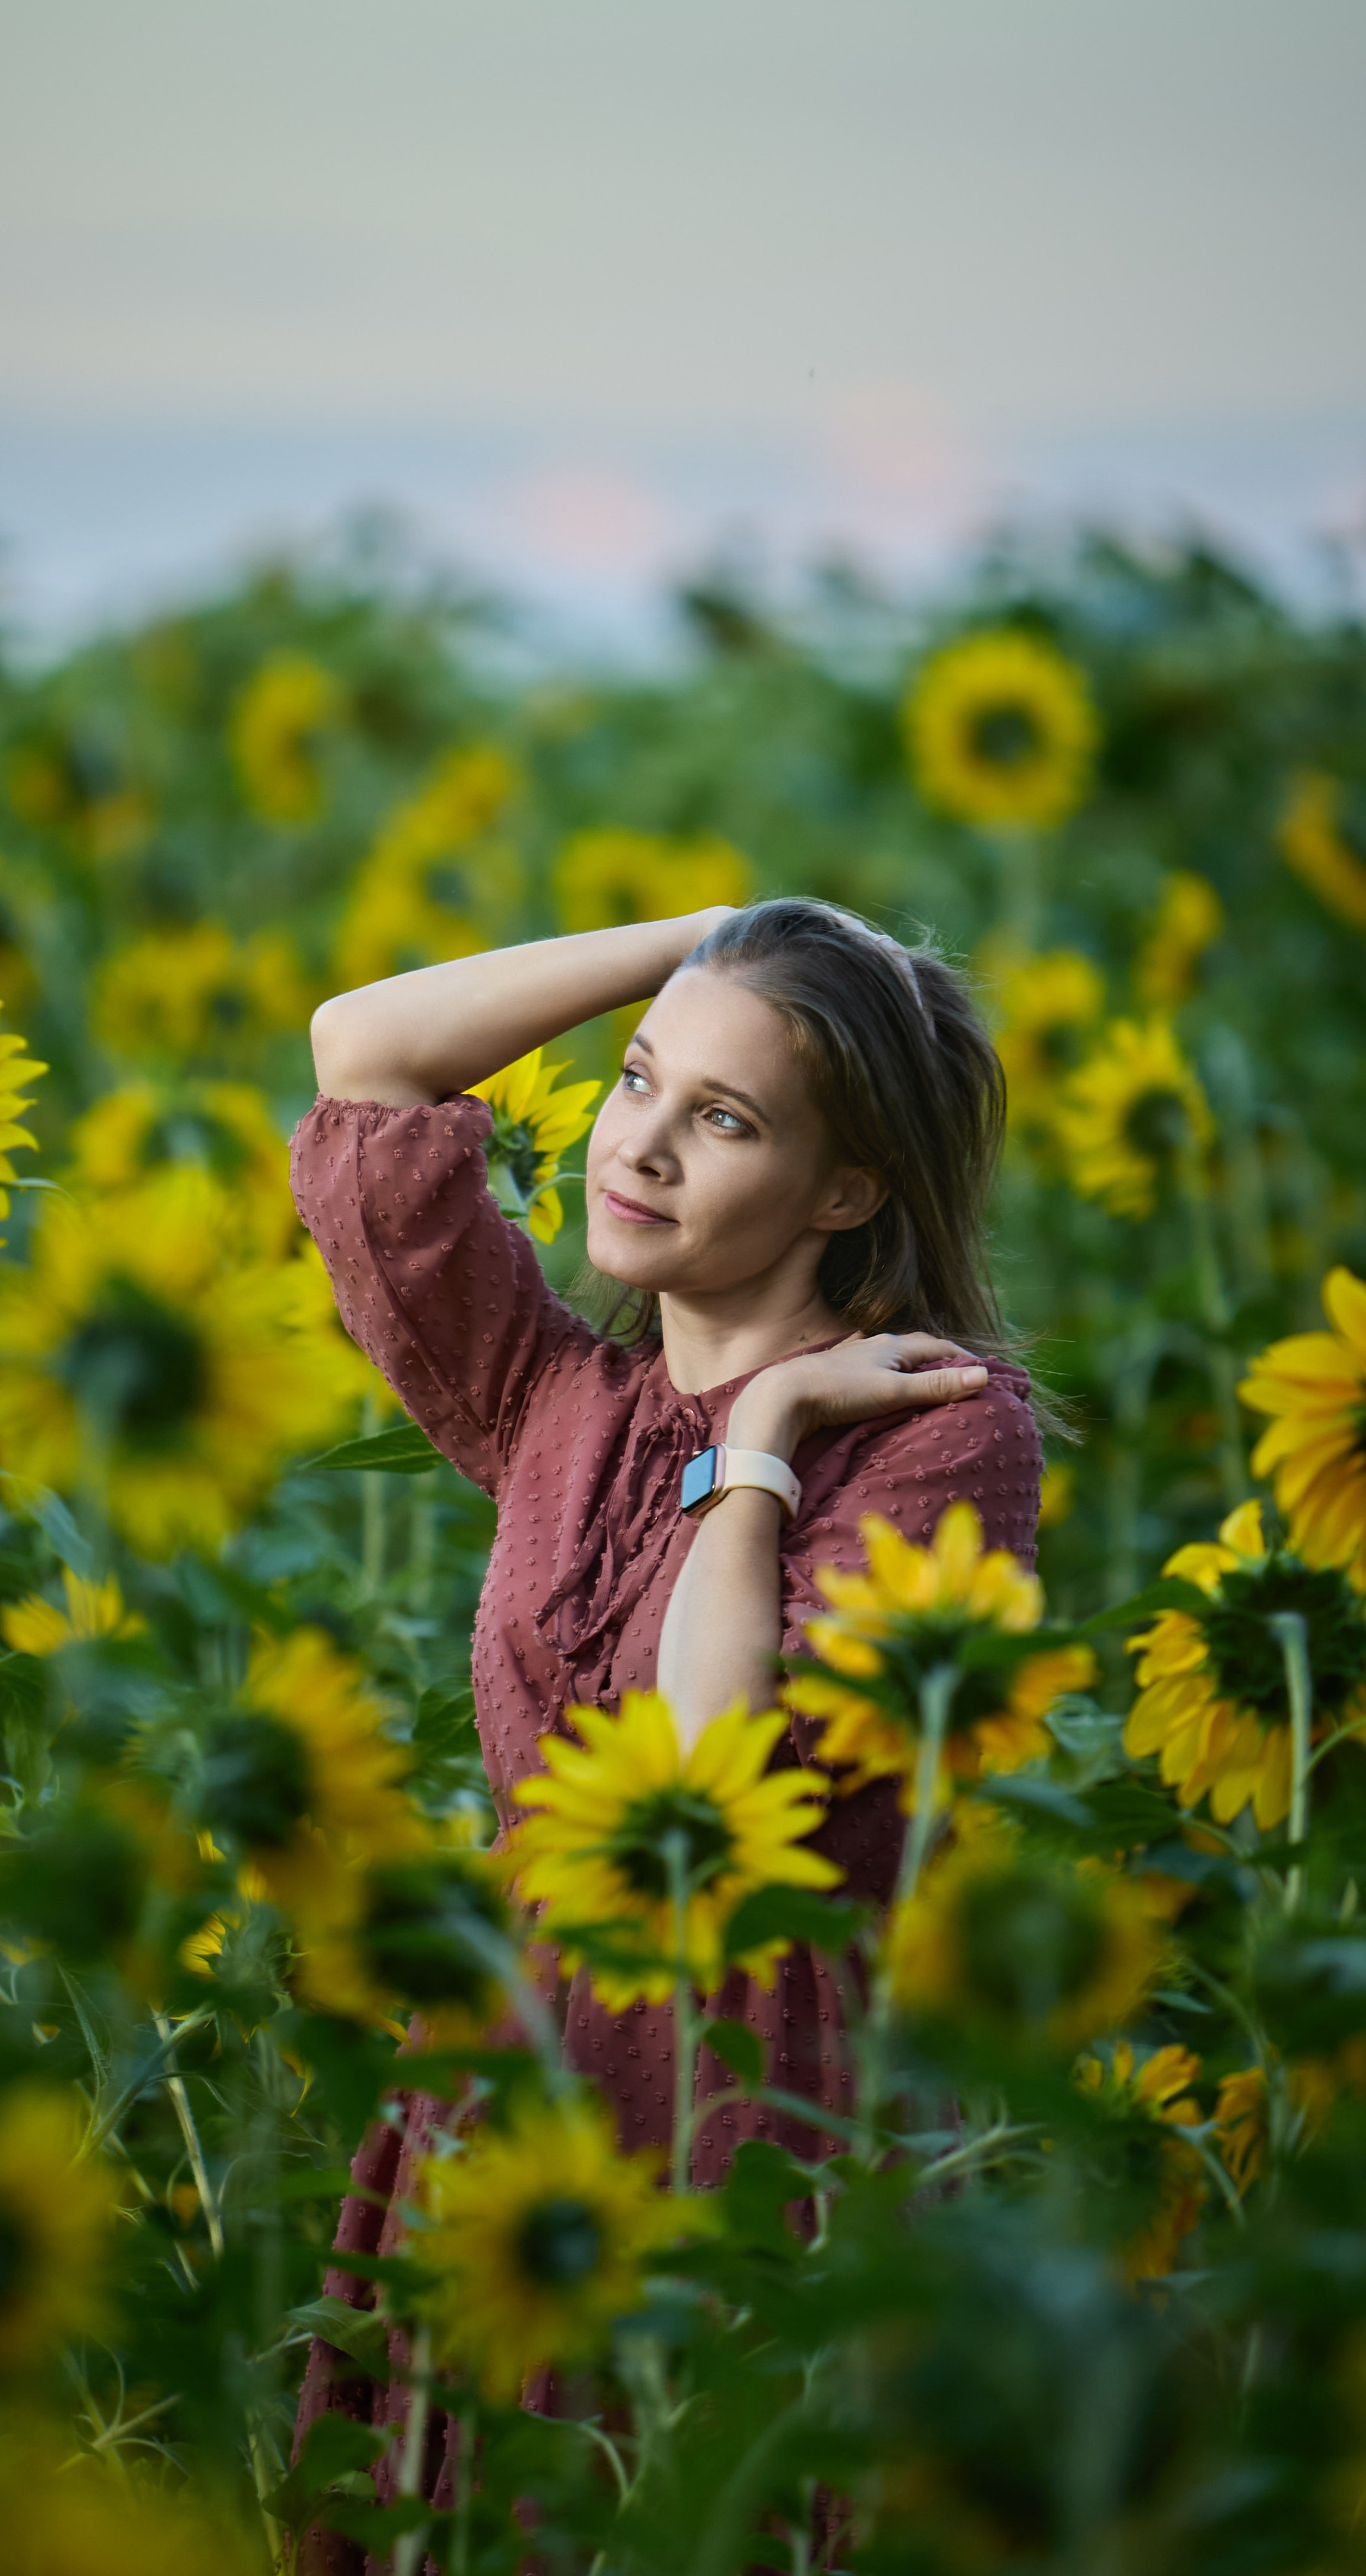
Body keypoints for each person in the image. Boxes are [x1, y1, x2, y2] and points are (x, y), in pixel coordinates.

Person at [288, 896, 1042, 2548]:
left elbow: (711, 1775)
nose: (634, 1147)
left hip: (745, 2098)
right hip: (508, 2094)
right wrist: (713, 938)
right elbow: (367, 1059)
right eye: (635, 1083)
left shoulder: (932, 1428)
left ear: (848, 1190)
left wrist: (762, 1432)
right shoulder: (562, 1402)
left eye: (721, 1118)